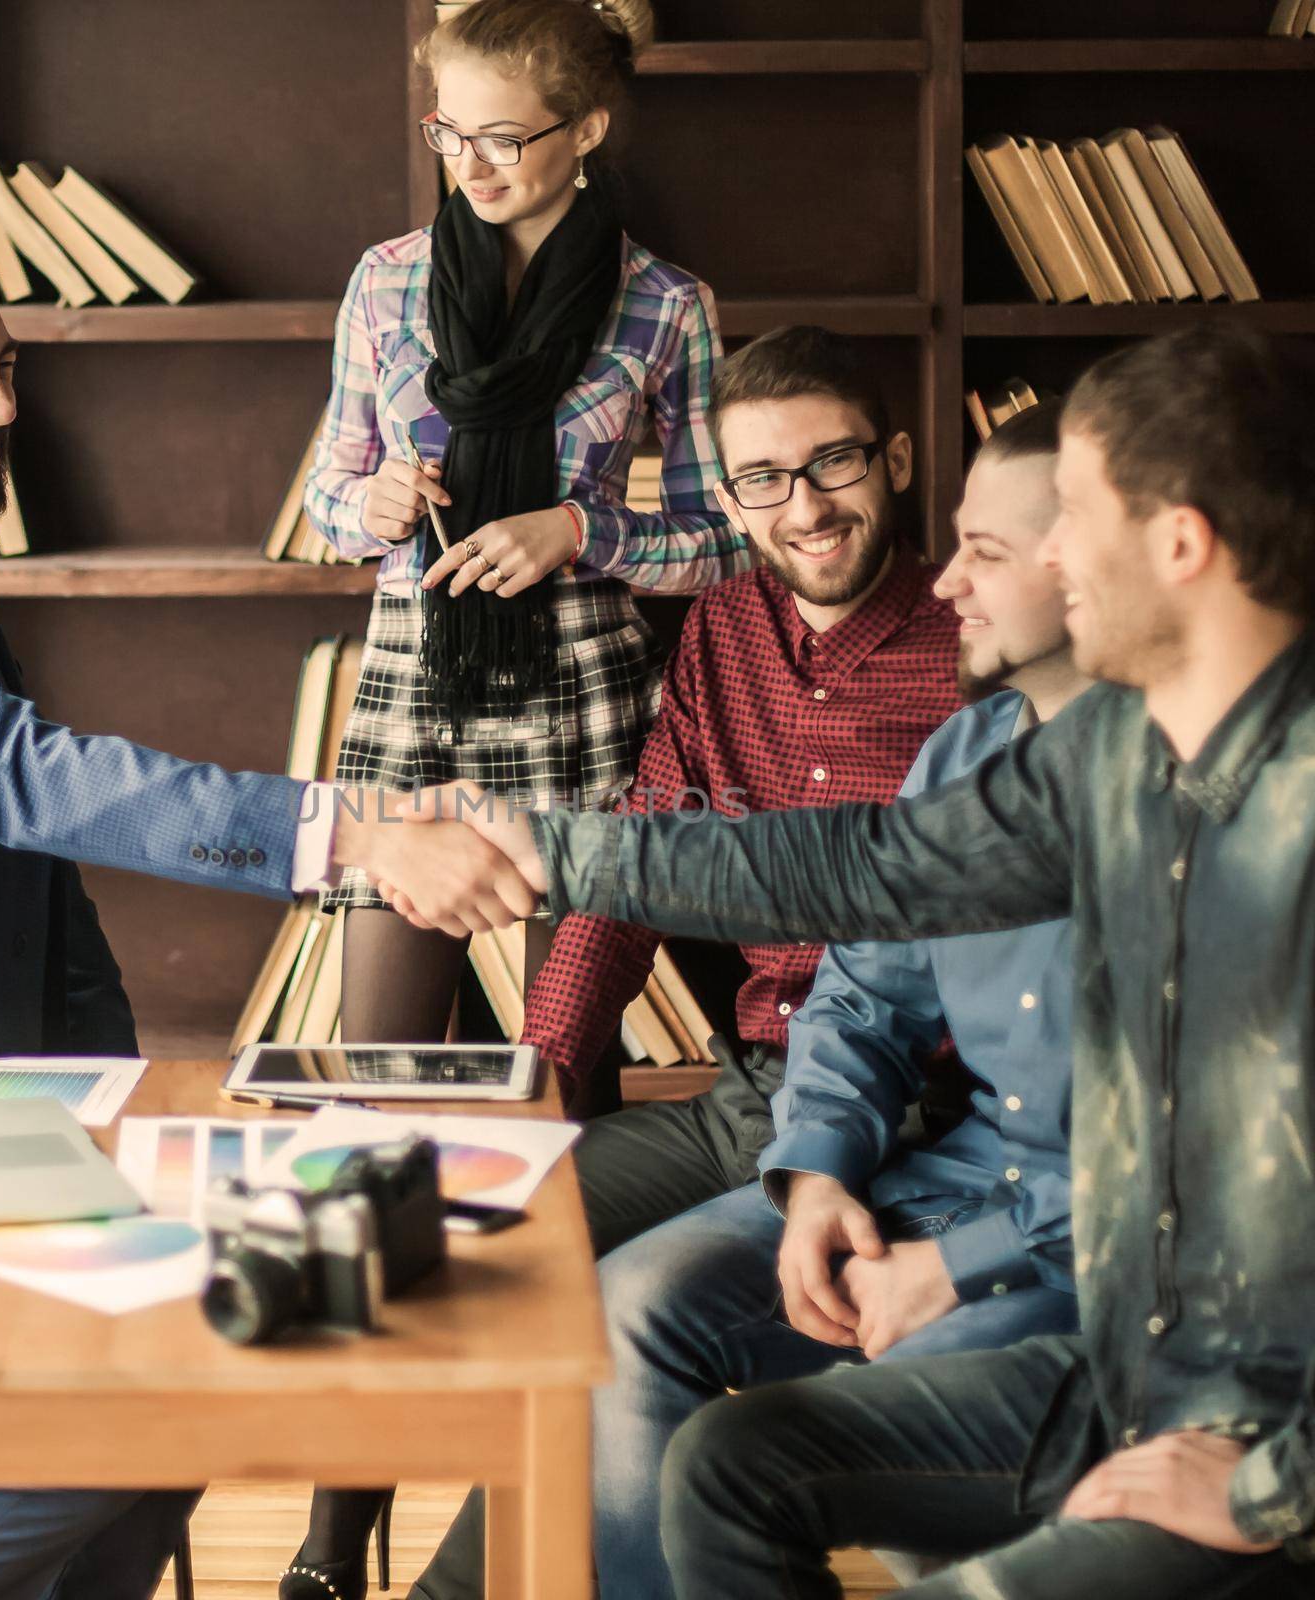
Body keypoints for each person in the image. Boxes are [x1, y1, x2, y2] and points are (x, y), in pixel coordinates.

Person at [0, 226, 533, 1600]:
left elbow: (33, 874)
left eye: (7, 366)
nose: (2, 407)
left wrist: (121, 1092)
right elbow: (36, 785)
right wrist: (357, 836)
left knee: (197, 1360)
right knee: (153, 1380)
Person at [449, 325, 1315, 1597]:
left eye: (1056, 520)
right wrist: (534, 857)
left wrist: (1267, 1484)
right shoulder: (1079, 759)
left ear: (1176, 546)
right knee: (696, 1423)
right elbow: (855, 879)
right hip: (1028, 1261)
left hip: (1206, 1384)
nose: (993, 569)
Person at [391, 322, 964, 1600]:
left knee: (616, 1305)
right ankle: (359, 1562)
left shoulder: (980, 646)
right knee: (464, 1231)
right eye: (762, 477)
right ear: (726, 488)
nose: (803, 507)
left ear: (901, 458)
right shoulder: (723, 629)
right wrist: (533, 1074)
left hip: (915, 1118)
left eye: (835, 464)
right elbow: (644, 856)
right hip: (744, 1087)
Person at [291, 0, 745, 1590]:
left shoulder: (666, 309)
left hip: (589, 733)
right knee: (378, 1128)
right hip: (415, 713)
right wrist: (379, 494)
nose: (472, 163)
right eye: (451, 132)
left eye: (505, 135)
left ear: (588, 131)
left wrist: (580, 530)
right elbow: (333, 494)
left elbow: (724, 539)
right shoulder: (386, 283)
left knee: (566, 1120)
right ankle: (337, 1533)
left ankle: (549, 1508)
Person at [582, 400, 1087, 1600]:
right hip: (945, 1168)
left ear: (1100, 561)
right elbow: (864, 992)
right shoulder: (966, 756)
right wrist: (812, 1174)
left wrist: (958, 1264)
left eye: (988, 554)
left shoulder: (1206, 789)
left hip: (1093, 1242)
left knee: (838, 1447)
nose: (948, 581)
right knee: (624, 1306)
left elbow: (1202, 1148)